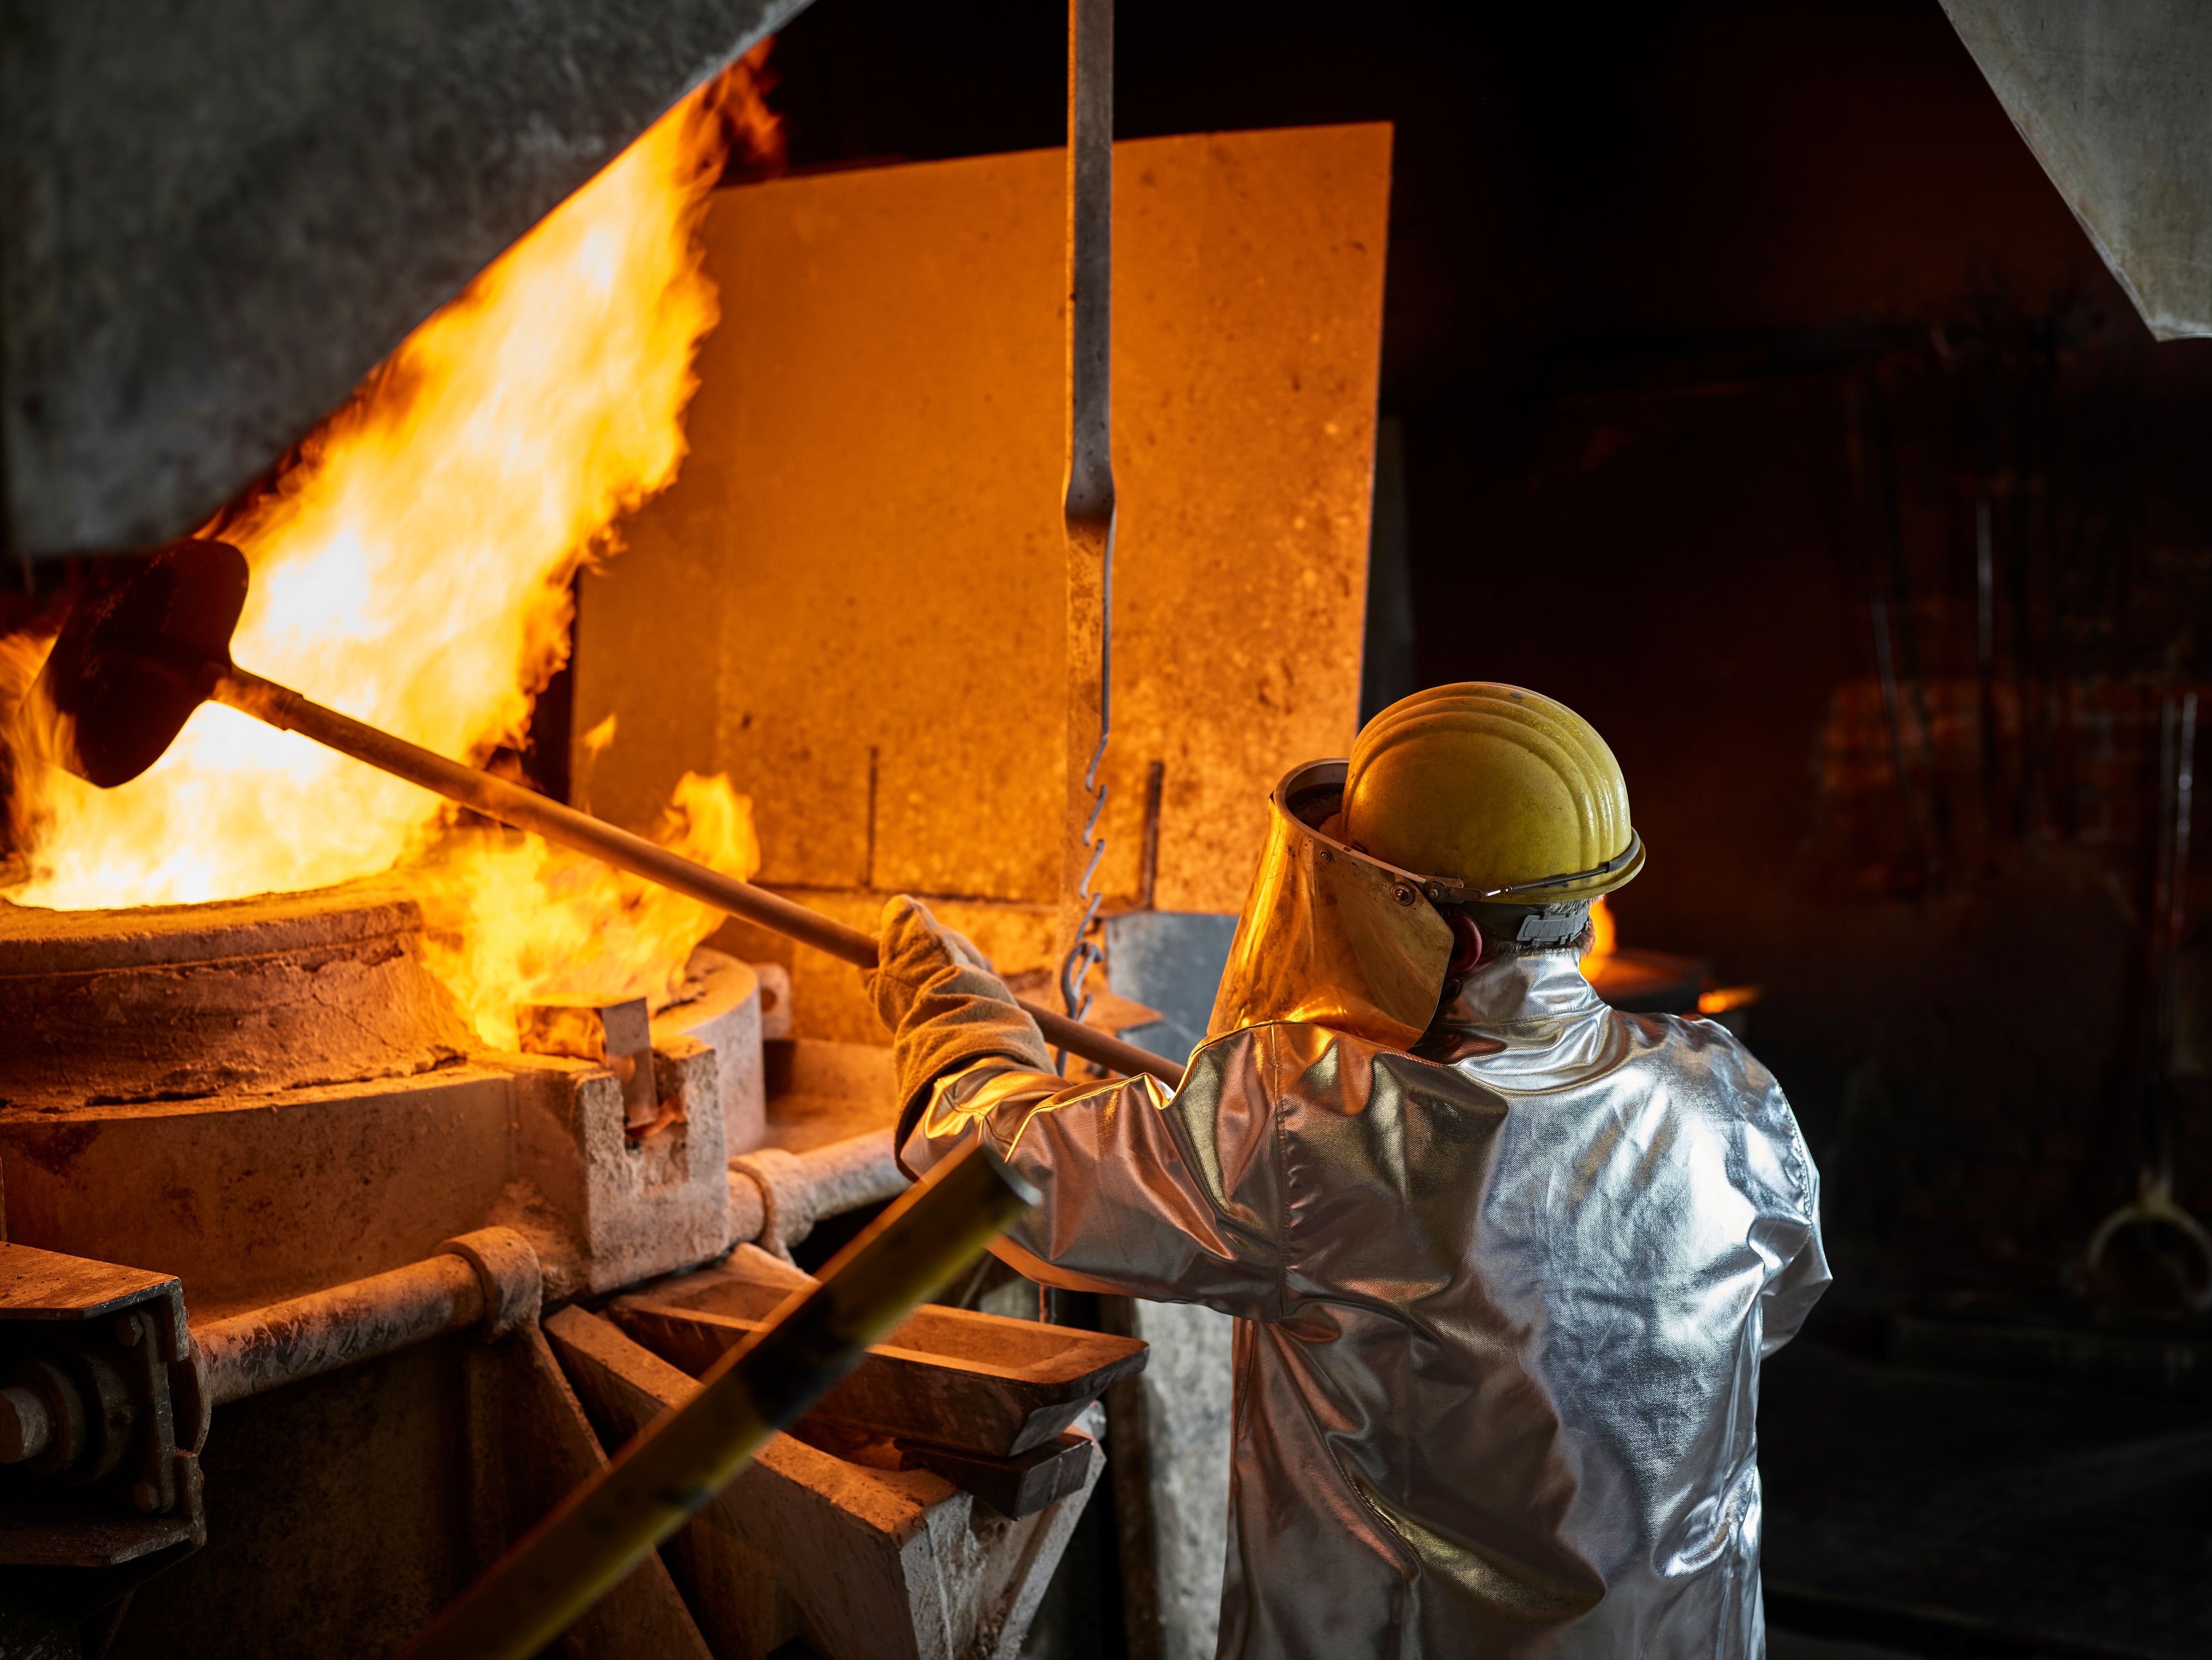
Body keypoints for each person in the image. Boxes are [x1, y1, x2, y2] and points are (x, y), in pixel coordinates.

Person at [867, 682, 1828, 1659]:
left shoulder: (1329, 1128)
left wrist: (951, 1014)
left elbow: (1011, 1174)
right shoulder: (1730, 1093)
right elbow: (1771, 1314)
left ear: (1453, 938)